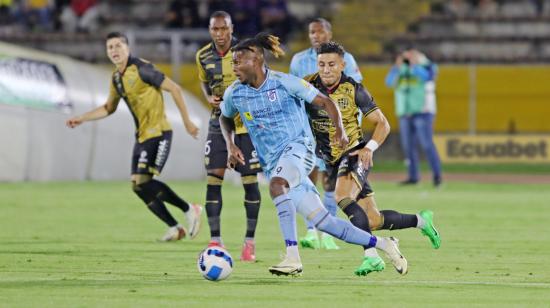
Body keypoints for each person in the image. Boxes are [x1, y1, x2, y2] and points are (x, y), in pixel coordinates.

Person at [219, 32, 407, 276]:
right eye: (232, 61)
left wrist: (339, 129)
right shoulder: (235, 93)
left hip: (299, 149)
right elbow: (224, 116)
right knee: (324, 222)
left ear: (256, 60)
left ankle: (292, 256)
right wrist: (231, 145)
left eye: (237, 61)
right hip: (274, 161)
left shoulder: (285, 83)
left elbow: (327, 102)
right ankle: (384, 245)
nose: (233, 66)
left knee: (277, 185)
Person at [305, 41, 441, 275]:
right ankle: (422, 221)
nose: (326, 69)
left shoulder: (354, 88)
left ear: (342, 65)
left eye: (331, 64)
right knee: (372, 220)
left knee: (341, 196)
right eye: (321, 64)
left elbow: (383, 123)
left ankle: (372, 256)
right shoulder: (307, 85)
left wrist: (370, 148)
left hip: (355, 153)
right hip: (330, 160)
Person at [66, 32, 202, 242]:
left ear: (127, 48)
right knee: (137, 186)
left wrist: (187, 122)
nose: (114, 50)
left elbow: (174, 88)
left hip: (159, 132)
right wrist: (82, 118)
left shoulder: (142, 68)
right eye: (110, 47)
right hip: (142, 137)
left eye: (118, 45)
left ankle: (189, 208)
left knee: (143, 181)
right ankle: (175, 228)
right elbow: (108, 108)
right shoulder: (117, 79)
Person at [289, 17, 363, 251]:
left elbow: (355, 92)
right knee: (308, 178)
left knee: (331, 182)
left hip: (337, 132)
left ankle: (327, 231)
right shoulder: (299, 60)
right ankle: (311, 229)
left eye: (319, 32)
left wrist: (352, 129)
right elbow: (294, 94)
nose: (315, 36)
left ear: (329, 34)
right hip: (310, 131)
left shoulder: (346, 59)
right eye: (312, 32)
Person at [195, 11, 261, 262]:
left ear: (232, 29)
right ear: (210, 30)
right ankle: (216, 240)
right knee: (214, 179)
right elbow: (204, 81)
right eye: (215, 30)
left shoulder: (246, 52)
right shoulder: (202, 55)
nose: (220, 34)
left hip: (246, 125)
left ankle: (249, 243)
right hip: (217, 123)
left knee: (249, 181)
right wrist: (207, 97)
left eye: (224, 29)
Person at [385, 48, 443, 187]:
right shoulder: (400, 68)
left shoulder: (427, 66)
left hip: (423, 112)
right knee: (408, 147)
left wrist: (414, 65)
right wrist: (396, 67)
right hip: (405, 112)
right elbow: (389, 82)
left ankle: (437, 176)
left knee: (427, 144)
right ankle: (413, 176)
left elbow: (428, 77)